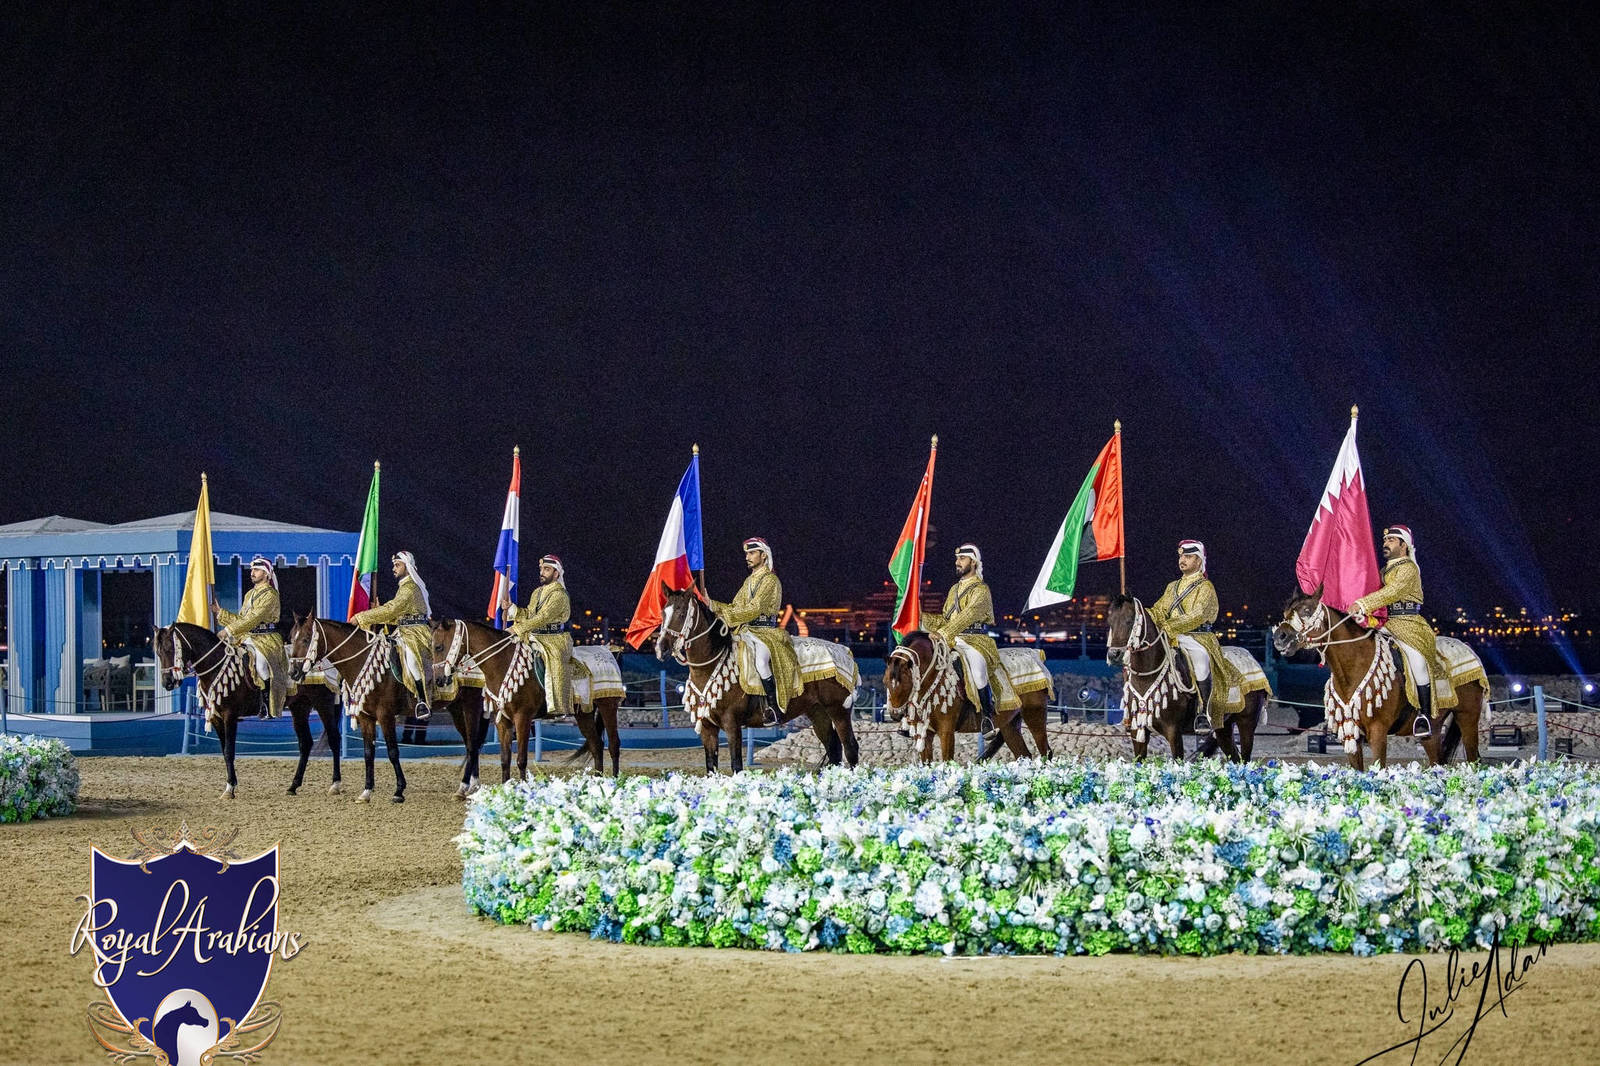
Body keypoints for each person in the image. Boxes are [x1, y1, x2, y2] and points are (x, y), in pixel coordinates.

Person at [1350, 525, 1455, 737]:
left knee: (1417, 662)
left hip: (1409, 624)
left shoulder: (1408, 569)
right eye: (1385, 540)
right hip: (1386, 623)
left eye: (1391, 540)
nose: (1385, 544)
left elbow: (1392, 592)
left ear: (1403, 545)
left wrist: (1362, 604)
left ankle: (1424, 715)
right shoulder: (1384, 571)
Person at [1149, 540, 1242, 733]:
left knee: (1200, 659)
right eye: (1181, 556)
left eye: (1188, 556)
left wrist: (1168, 626)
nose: (1182, 560)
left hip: (1198, 637)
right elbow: (1160, 610)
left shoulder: (1205, 587)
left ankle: (1204, 711)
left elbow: (1198, 614)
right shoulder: (1172, 587)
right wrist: (1141, 614)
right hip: (1172, 636)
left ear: (1199, 561)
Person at [924, 543, 1016, 733]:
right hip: (951, 640)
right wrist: (919, 617)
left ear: (973, 562)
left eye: (962, 559)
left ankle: (987, 718)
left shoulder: (981, 590)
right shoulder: (953, 590)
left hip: (976, 641)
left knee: (978, 673)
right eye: (957, 559)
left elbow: (969, 615)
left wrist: (942, 633)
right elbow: (945, 619)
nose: (957, 562)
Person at [708, 537, 800, 725]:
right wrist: (711, 604)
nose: (747, 557)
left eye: (752, 553)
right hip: (746, 630)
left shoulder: (770, 580)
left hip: (765, 632)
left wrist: (726, 614)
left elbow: (754, 608)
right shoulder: (748, 581)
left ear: (763, 555)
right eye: (746, 554)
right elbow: (735, 606)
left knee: (761, 662)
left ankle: (775, 709)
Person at [350, 551, 434, 719]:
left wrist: (361, 617)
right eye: (394, 565)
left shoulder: (410, 587)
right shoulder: (403, 586)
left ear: (407, 567)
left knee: (412, 659)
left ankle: (422, 700)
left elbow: (393, 609)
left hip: (415, 632)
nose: (394, 568)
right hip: (402, 630)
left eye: (397, 565)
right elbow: (397, 615)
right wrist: (376, 612)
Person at [210, 555, 292, 718]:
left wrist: (228, 630)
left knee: (261, 665)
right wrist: (221, 613)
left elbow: (254, 617)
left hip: (266, 638)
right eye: (252, 569)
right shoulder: (249, 595)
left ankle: (268, 705)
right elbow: (243, 619)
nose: (252, 572)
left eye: (256, 570)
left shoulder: (270, 595)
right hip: (247, 636)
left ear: (266, 573)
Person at [500, 553, 575, 717]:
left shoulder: (559, 595)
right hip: (534, 635)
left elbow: (543, 618)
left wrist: (516, 629)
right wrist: (512, 608)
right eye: (541, 569)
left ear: (556, 573)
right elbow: (529, 614)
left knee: (554, 658)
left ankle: (558, 705)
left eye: (547, 569)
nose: (542, 572)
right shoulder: (537, 592)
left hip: (554, 639)